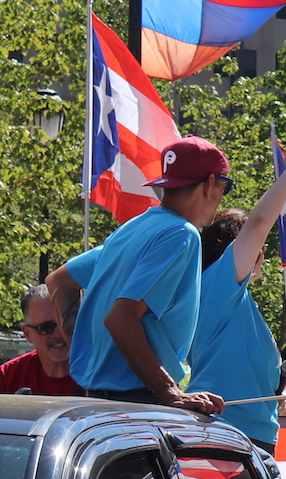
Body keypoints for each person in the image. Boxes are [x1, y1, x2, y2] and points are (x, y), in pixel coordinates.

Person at [46, 136, 228, 415]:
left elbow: (58, 281)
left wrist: (86, 351)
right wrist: (170, 393)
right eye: (225, 186)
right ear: (211, 183)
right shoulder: (181, 234)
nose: (221, 195)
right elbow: (120, 318)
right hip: (138, 401)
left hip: (100, 398)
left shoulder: (132, 228)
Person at [188, 149, 286, 452]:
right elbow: (258, 223)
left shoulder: (229, 300)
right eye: (261, 245)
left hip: (245, 437)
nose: (264, 251)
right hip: (228, 437)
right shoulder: (217, 285)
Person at [0, 284, 82, 396]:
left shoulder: (97, 372)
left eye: (65, 324)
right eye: (46, 327)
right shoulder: (8, 377)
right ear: (27, 334)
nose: (58, 334)